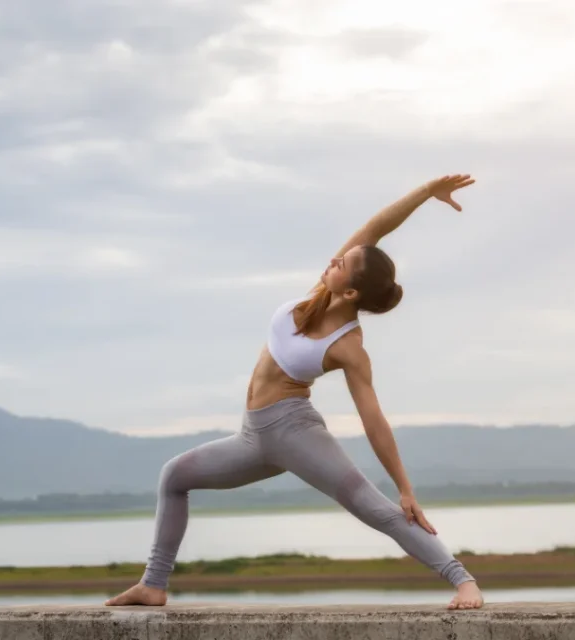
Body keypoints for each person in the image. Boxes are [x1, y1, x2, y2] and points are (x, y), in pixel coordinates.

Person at [105, 174, 484, 610]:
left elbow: (373, 420)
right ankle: (153, 585)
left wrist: (405, 488)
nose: (333, 260)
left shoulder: (348, 347)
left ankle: (463, 581)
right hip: (252, 438)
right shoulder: (319, 294)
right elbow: (377, 228)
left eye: (341, 264)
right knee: (174, 476)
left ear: (352, 290)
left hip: (295, 434)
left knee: (374, 508)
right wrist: (424, 193)